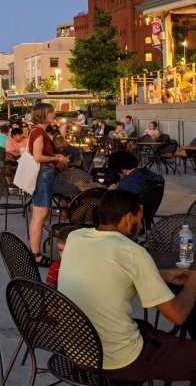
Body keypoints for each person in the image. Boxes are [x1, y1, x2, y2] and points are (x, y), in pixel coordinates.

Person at [58, 191, 196, 383]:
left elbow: (108, 267)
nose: (140, 226)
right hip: (119, 361)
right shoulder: (133, 252)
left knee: (150, 332)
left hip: (77, 351)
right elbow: (178, 315)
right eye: (139, 219)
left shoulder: (76, 237)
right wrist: (193, 280)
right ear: (128, 217)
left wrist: (162, 274)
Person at [28, 103, 69, 266]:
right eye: (52, 112)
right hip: (43, 176)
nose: (54, 114)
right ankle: (36, 255)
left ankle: (35, 252)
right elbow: (38, 157)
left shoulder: (39, 131)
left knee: (39, 216)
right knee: (39, 216)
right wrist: (56, 158)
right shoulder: (38, 132)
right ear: (44, 114)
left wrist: (54, 155)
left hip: (44, 175)